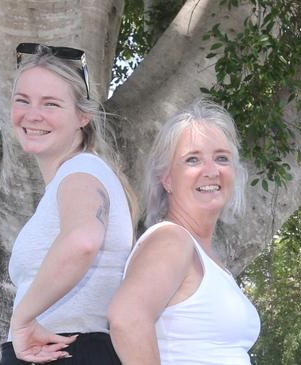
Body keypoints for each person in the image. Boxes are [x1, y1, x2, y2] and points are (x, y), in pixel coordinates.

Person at [0, 43, 135, 365]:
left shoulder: (82, 171)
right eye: (23, 100)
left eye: (51, 104)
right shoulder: (75, 176)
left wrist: (22, 320)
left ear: (83, 116)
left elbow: (83, 239)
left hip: (64, 351)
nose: (32, 115)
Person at [108, 99, 260, 364]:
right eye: (193, 159)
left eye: (221, 158)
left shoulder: (205, 256)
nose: (211, 171)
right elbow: (126, 318)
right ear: (166, 178)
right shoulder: (171, 240)